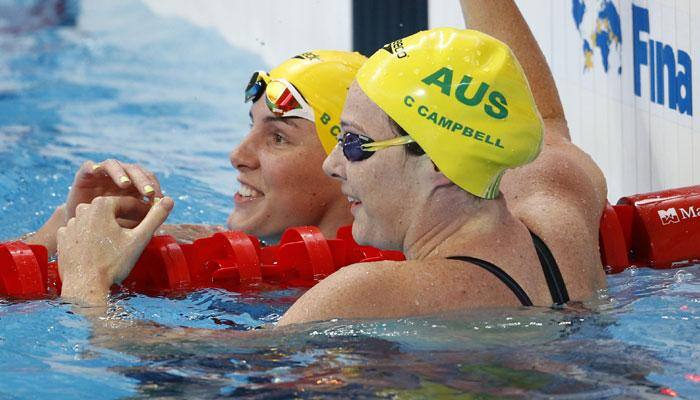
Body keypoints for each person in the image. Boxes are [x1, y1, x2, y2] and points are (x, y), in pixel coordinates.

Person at [58, 1, 607, 321]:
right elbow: (544, 124)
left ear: (437, 162)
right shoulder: (561, 205)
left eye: (354, 144)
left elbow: (190, 366)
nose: (333, 166)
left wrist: (86, 287)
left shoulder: (370, 292)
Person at [20, 50, 365, 259]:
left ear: (344, 163)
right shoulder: (224, 246)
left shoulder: (366, 297)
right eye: (251, 126)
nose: (238, 155)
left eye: (277, 137)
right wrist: (68, 224)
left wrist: (90, 297)